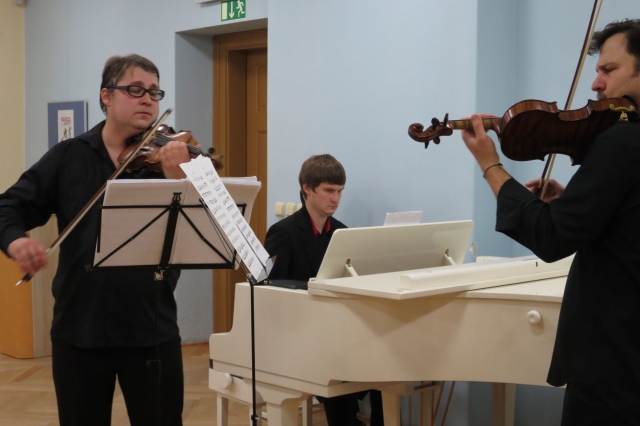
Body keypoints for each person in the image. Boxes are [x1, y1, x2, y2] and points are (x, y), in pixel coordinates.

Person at [460, 20, 640, 426]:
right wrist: (576, 203)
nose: (595, 84)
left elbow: (551, 235)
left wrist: (490, 164)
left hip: (615, 362)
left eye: (609, 70)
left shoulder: (621, 142)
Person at [0, 54, 193, 426]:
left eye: (154, 92)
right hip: (80, 328)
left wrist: (180, 182)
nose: (147, 99)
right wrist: (15, 241)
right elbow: (9, 205)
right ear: (106, 96)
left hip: (150, 325)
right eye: (135, 89)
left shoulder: (174, 160)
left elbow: (209, 226)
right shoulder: (68, 156)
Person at [264, 154, 384, 426]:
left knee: (382, 366)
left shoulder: (342, 233)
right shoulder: (283, 232)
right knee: (332, 370)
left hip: (333, 328)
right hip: (297, 331)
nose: (336, 199)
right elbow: (270, 287)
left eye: (340, 191)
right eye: (329, 190)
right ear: (307, 188)